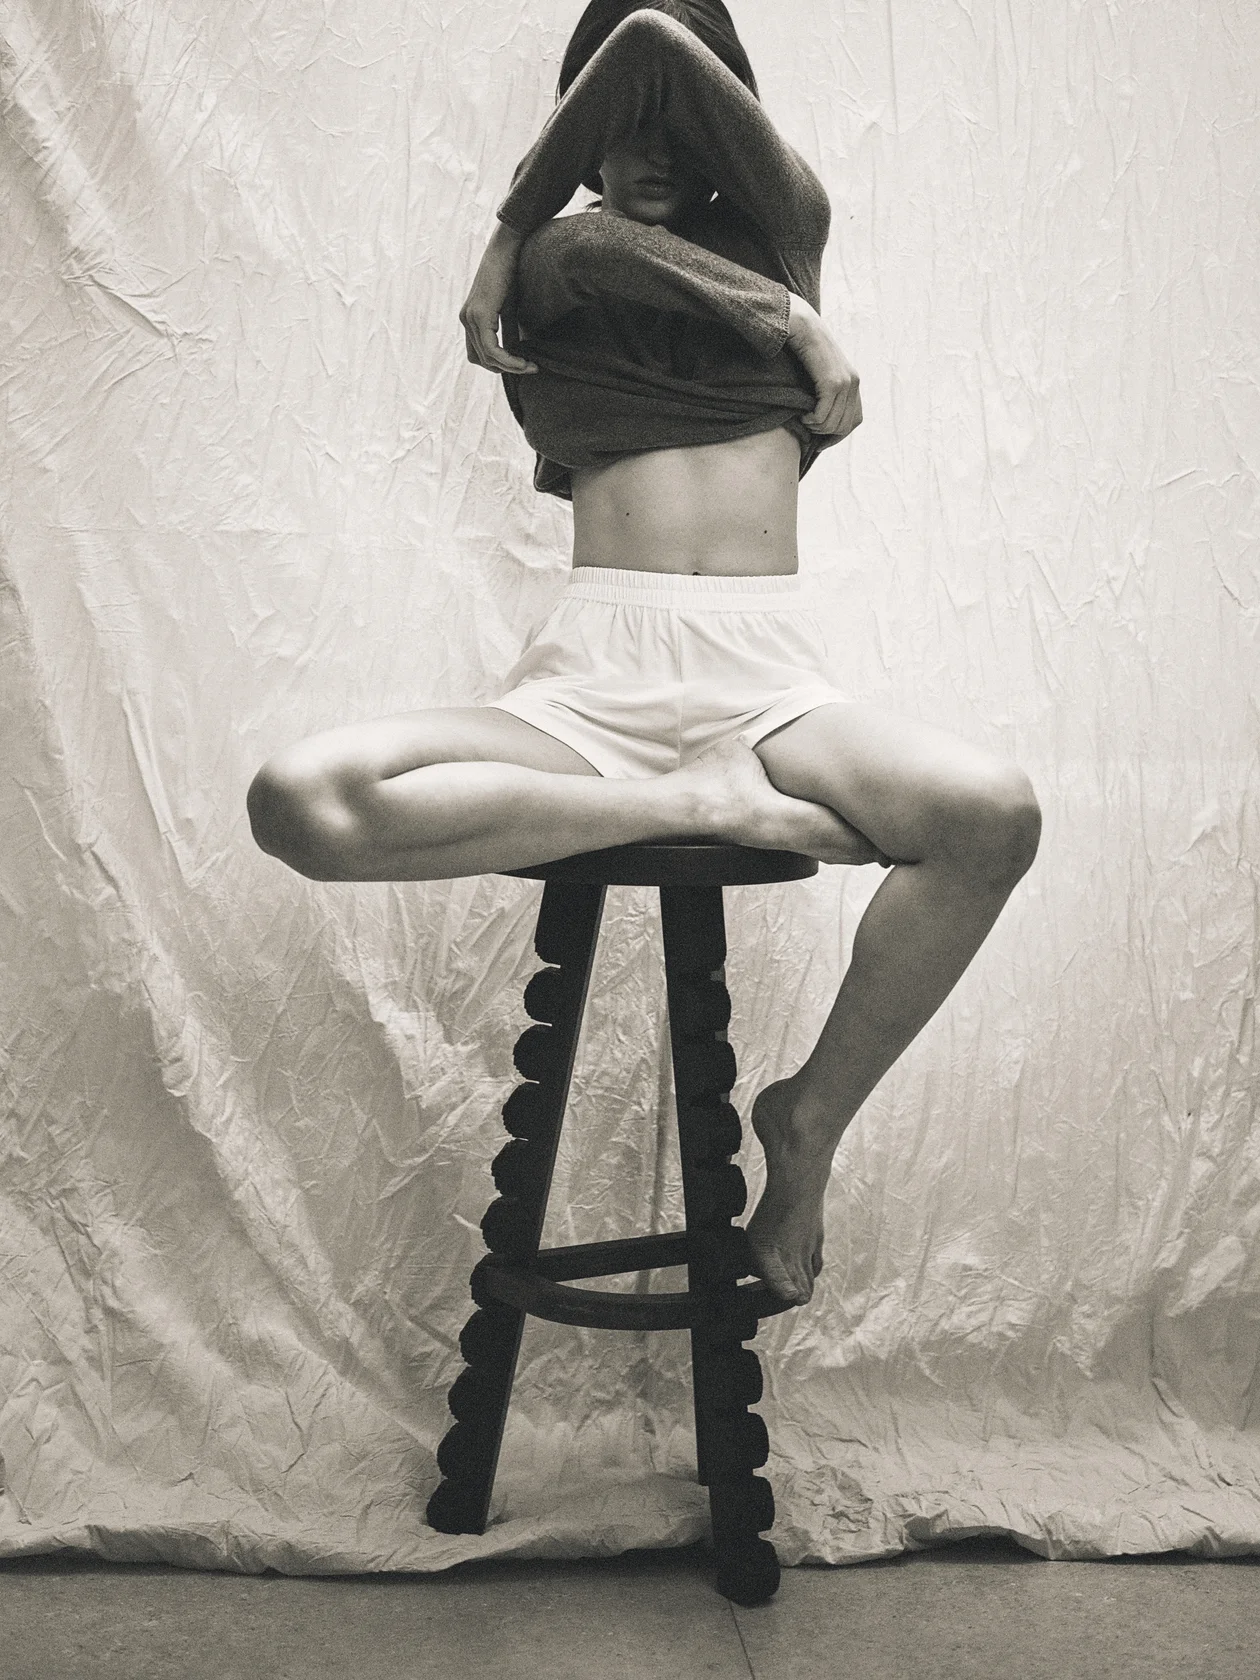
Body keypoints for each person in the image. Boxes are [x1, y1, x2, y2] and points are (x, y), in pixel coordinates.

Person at [247, 1, 1041, 1307]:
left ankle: (809, 1120)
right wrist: (521, 233)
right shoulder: (555, 264)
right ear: (579, 128)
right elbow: (608, 183)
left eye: (686, 126)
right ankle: (692, 804)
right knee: (300, 798)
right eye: (621, 128)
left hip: (765, 687)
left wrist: (792, 307)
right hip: (589, 685)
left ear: (734, 120)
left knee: (992, 816)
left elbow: (663, 51)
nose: (654, 150)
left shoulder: (787, 233)